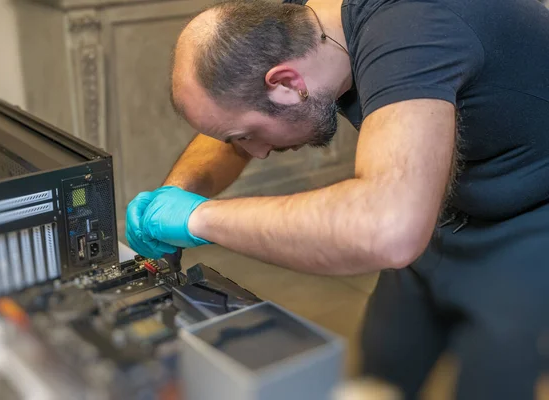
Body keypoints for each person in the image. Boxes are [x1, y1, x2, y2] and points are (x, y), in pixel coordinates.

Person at [126, 0, 549, 397]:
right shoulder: (291, 23)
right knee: (384, 365)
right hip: (441, 206)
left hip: (531, 220)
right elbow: (238, 104)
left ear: (288, 83)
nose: (252, 152)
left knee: (493, 381)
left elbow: (390, 230)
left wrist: (198, 219)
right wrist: (177, 193)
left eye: (246, 137)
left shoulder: (413, 32)